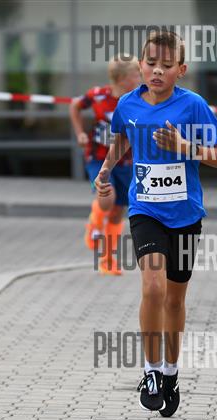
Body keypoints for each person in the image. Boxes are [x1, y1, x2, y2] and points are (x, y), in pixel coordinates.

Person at [95, 31, 217, 416]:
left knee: (174, 299)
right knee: (152, 287)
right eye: (151, 64)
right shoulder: (127, 104)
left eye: (166, 66)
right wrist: (105, 170)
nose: (157, 71)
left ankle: (171, 372)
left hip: (186, 215)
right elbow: (122, 139)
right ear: (140, 66)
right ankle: (151, 370)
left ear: (180, 70)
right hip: (146, 210)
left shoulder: (193, 106)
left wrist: (185, 147)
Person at [69, 54, 141, 275]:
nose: (140, 79)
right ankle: (94, 222)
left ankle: (107, 260)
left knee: (118, 210)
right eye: (136, 75)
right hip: (99, 158)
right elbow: (75, 106)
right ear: (121, 78)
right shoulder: (98, 95)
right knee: (107, 197)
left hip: (126, 160)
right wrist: (80, 133)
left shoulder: (138, 99)